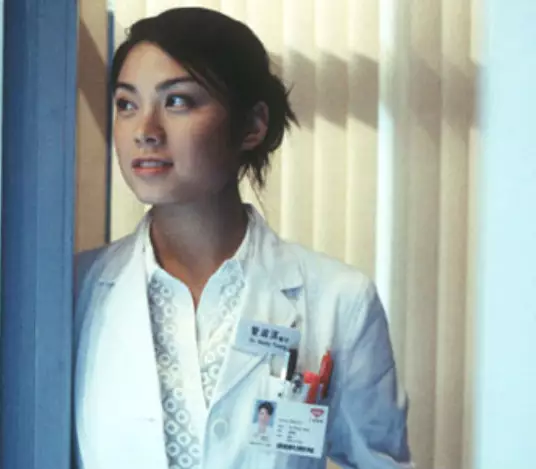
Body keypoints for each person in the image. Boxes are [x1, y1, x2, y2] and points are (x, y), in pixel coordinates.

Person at [73, 7, 412, 469]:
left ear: (252, 126)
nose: (145, 131)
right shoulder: (75, 291)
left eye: (178, 101)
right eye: (126, 105)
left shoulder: (338, 300)